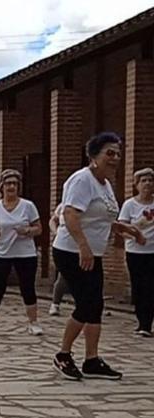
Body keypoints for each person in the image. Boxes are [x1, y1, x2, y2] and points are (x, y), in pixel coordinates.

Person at [52, 132, 143, 380]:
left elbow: (101, 218)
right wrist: (83, 246)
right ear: (93, 156)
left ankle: (91, 359)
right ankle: (63, 354)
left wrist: (127, 228)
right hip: (72, 252)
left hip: (93, 253)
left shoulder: (105, 184)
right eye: (109, 153)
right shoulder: (82, 180)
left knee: (96, 305)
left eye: (117, 154)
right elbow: (70, 214)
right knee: (87, 304)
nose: (114, 158)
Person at [0, 169, 44, 337]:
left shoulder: (28, 206)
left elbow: (39, 229)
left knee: (27, 287)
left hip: (25, 253)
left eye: (15, 184)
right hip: (1, 253)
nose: (11, 187)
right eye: (8, 183)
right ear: (2, 187)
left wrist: (27, 230)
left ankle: (33, 322)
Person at [119, 167, 154, 337]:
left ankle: (147, 323)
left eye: (150, 180)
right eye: (143, 181)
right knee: (139, 286)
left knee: (151, 286)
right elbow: (121, 229)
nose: (147, 183)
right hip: (135, 252)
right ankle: (142, 322)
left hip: (153, 252)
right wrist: (135, 237)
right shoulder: (129, 205)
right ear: (137, 184)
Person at [48, 203, 70, 316]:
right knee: (63, 275)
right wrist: (56, 232)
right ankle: (55, 303)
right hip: (65, 245)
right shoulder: (63, 205)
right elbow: (53, 220)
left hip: (86, 244)